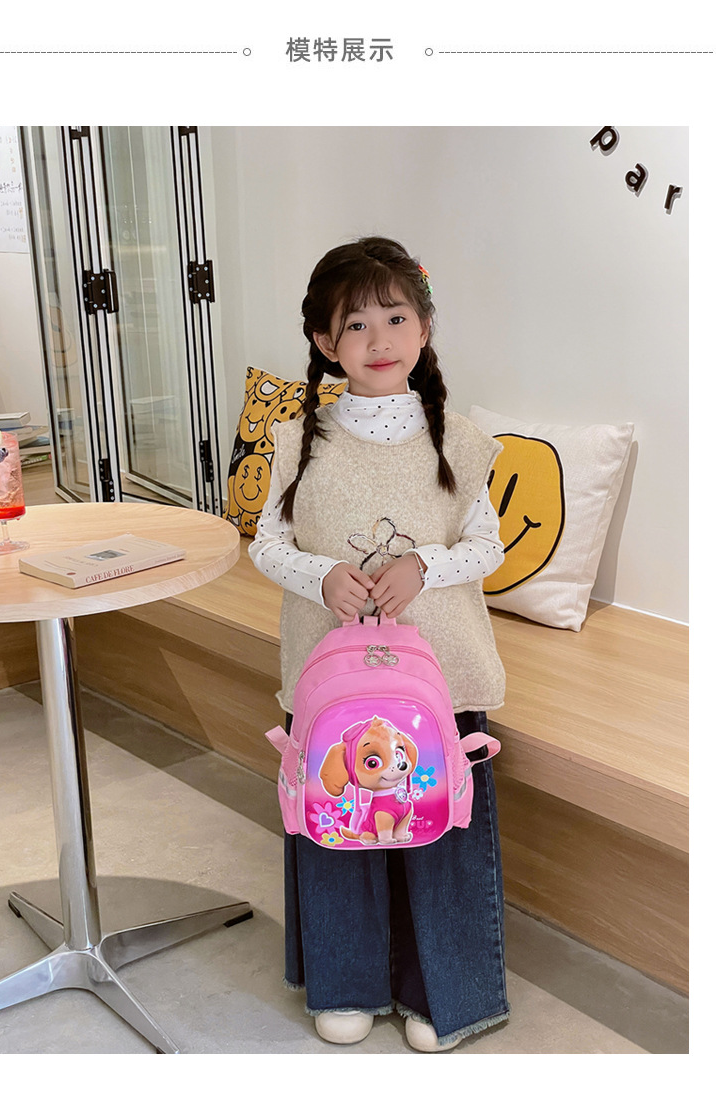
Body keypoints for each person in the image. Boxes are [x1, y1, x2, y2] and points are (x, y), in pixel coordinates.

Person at [249, 236, 509, 1052]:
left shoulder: (458, 441)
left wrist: (424, 565)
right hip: (332, 681)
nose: (379, 339)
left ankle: (443, 991)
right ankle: (346, 981)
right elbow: (266, 544)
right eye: (355, 324)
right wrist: (320, 575)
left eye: (396, 318)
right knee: (336, 824)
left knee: (444, 833)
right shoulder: (297, 441)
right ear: (325, 343)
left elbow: (488, 545)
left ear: (424, 328)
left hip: (442, 675)